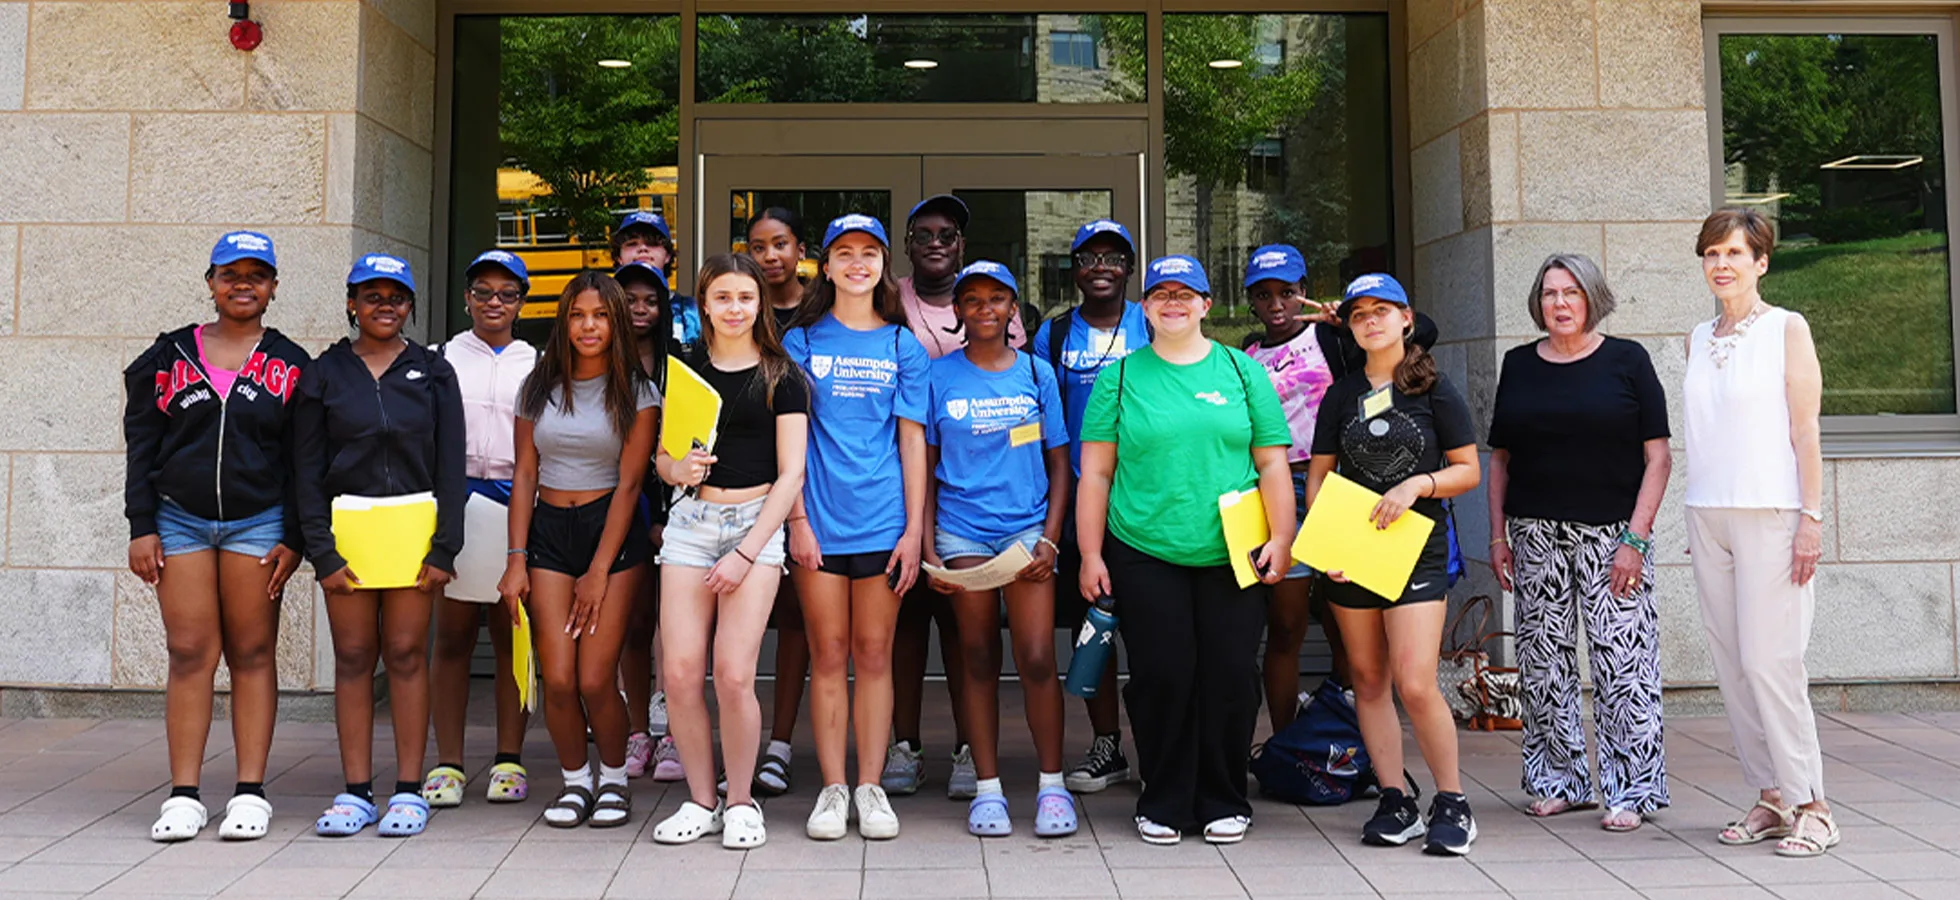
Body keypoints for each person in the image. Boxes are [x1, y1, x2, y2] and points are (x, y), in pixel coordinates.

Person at [1076, 255, 1293, 846]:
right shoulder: (1119, 378)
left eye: (1185, 293)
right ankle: (1164, 795)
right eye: (1160, 294)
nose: (1173, 303)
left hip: (1234, 550)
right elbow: (1095, 474)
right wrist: (1091, 554)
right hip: (1144, 547)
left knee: (1229, 674)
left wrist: (1282, 538)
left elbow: (1272, 461)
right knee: (1162, 675)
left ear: (1205, 304)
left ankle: (1224, 796)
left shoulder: (1242, 373)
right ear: (1144, 308)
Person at [125, 231, 308, 842]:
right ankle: (183, 795)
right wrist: (141, 525)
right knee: (190, 652)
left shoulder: (291, 362)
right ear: (210, 282)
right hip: (179, 518)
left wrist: (298, 537)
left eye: (257, 275)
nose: (243, 285)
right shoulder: (169, 355)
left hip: (260, 521)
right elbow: (142, 445)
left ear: (274, 287)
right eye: (231, 274)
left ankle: (250, 791)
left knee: (253, 653)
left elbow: (303, 461)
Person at [1487, 253, 1671, 832]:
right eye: (1549, 294)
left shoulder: (1627, 361)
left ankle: (1632, 789)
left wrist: (1635, 539)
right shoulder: (1519, 364)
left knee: (1624, 664)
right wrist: (1497, 535)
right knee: (1544, 664)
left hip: (1611, 535)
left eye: (1570, 293)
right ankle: (1560, 780)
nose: (1560, 304)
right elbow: (1501, 459)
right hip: (1534, 533)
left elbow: (1658, 457)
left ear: (1592, 297)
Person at [1305, 273, 1481, 856]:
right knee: (1370, 681)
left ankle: (1452, 801)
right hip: (1351, 551)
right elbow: (1319, 475)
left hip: (1417, 550)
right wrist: (1326, 543)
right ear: (1350, 328)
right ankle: (1394, 799)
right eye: (1359, 315)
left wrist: (1418, 486)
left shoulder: (1434, 389)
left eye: (1383, 311)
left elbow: (1468, 469)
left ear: (1407, 319)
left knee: (1414, 680)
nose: (1371, 321)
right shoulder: (1342, 392)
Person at [295, 254, 465, 839]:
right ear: (352, 303)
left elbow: (451, 465)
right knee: (352, 657)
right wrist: (323, 552)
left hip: (414, 529)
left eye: (396, 296)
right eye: (372, 295)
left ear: (411, 305)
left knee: (407, 653)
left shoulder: (434, 371)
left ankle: (410, 791)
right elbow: (307, 469)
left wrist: (444, 549)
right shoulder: (323, 373)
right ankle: (356, 791)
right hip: (350, 531)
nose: (384, 305)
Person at [1685, 207, 1834, 857]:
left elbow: (1806, 431)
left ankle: (1814, 805)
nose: (1721, 264)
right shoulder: (1697, 335)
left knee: (1770, 662)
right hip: (1708, 514)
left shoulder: (1786, 329)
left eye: (1734, 253)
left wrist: (1811, 518)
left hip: (1774, 513)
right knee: (1732, 664)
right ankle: (1772, 796)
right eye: (1712, 253)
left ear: (1761, 262)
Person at [650, 254, 810, 849]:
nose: (735, 308)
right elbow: (663, 461)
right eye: (723, 298)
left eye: (746, 297)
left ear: (759, 304)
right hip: (691, 523)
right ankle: (700, 799)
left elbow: (792, 474)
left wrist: (747, 552)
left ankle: (741, 802)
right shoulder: (685, 371)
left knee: (735, 674)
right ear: (705, 304)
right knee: (682, 671)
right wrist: (676, 467)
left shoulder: (781, 375)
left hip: (756, 525)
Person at [782, 214, 931, 841]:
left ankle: (870, 788)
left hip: (883, 525)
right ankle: (832, 788)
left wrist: (913, 533)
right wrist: (796, 521)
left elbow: (914, 446)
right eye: (844, 252)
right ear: (827, 263)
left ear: (883, 265)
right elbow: (787, 445)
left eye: (869, 253)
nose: (857, 264)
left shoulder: (904, 346)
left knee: (874, 655)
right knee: (828, 655)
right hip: (818, 522)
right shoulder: (801, 343)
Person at [498, 272, 660, 830]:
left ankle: (613, 779)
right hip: (547, 532)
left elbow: (632, 483)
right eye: (577, 315)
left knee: (596, 677)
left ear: (615, 322)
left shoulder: (638, 391)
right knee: (559, 678)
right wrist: (516, 557)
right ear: (563, 321)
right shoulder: (536, 386)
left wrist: (597, 571)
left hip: (610, 532)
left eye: (600, 315)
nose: (589, 326)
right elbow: (523, 472)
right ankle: (575, 782)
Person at [923, 261, 1075, 838]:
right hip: (962, 533)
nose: (984, 309)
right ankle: (987, 789)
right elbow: (928, 470)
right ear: (957, 311)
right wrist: (933, 549)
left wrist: (1050, 538)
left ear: (1014, 308)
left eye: (997, 299)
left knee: (1037, 657)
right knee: (978, 656)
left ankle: (1051, 785)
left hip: (1027, 532)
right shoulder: (938, 377)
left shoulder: (1037, 374)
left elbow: (1060, 465)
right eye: (972, 300)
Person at [1032, 218, 1152, 794]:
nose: (1101, 266)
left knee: (1156, 630)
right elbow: (1040, 422)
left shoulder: (1153, 324)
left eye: (1113, 257)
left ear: (1129, 268)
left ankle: (1158, 744)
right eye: (1089, 257)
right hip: (1084, 505)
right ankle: (1107, 746)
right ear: (1075, 269)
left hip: (1148, 502)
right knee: (1094, 629)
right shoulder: (1053, 337)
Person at [422, 250, 539, 810]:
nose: (495, 303)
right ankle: (447, 762)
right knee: (452, 637)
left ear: (522, 300)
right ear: (467, 297)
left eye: (507, 294)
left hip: (516, 501)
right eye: (484, 292)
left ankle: (509, 760)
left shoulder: (536, 362)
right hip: (458, 500)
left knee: (511, 633)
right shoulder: (440, 358)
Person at [887, 195, 987, 799]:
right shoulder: (886, 300)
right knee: (905, 620)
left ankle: (970, 746)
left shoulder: (985, 300)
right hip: (890, 477)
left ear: (961, 246)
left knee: (960, 622)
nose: (935, 242)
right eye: (922, 233)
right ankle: (906, 744)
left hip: (965, 488)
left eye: (947, 234)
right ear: (906, 244)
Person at [745, 206, 813, 795]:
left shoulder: (821, 309)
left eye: (781, 244)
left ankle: (781, 744)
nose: (771, 256)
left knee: (795, 618)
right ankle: (737, 743)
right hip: (744, 485)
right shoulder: (737, 308)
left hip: (811, 484)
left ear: (799, 249)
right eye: (760, 246)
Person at [614, 260, 683, 783]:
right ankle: (638, 731)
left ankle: (676, 737)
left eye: (650, 301)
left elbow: (686, 446)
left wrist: (664, 515)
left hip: (673, 514)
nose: (640, 310)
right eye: (629, 300)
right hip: (614, 512)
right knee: (634, 626)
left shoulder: (680, 367)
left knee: (678, 632)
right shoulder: (595, 363)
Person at [614, 210, 702, 357]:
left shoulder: (692, 311)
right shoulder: (603, 308)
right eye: (632, 243)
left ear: (668, 255)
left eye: (652, 243)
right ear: (618, 256)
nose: (642, 248)